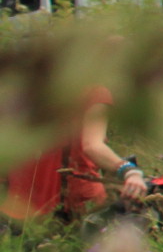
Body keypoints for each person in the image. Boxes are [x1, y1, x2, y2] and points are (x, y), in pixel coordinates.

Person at [3, 84, 150, 224]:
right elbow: (93, 147)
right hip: (72, 205)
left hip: (16, 206)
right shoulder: (93, 93)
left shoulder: (17, 85)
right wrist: (130, 171)